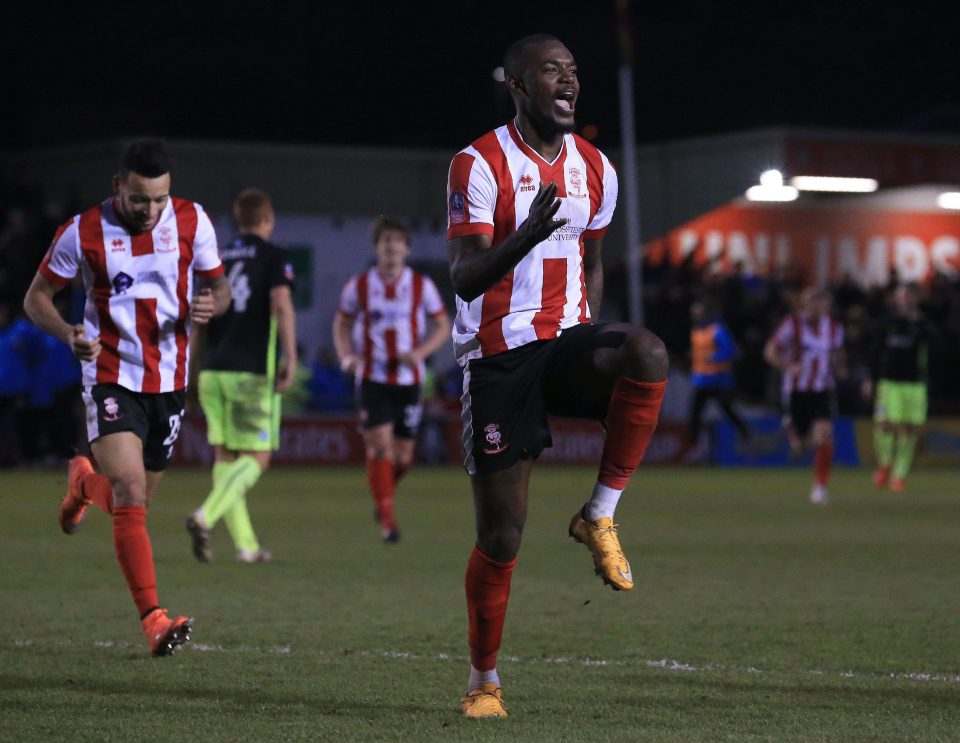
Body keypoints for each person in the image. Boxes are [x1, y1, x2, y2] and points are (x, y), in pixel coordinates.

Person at [446, 34, 668, 718]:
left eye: (574, 71)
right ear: (518, 84)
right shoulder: (477, 162)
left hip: (563, 341)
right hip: (499, 358)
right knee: (502, 536)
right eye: (552, 71)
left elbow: (595, 259)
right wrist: (526, 237)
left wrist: (585, 328)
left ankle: (598, 515)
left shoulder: (596, 167)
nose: (569, 81)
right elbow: (463, 276)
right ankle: (485, 681)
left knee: (647, 352)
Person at [22, 139, 230, 655]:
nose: (151, 210)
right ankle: (153, 619)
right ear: (119, 186)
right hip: (111, 375)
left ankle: (80, 484)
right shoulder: (82, 232)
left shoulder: (192, 221)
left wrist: (211, 304)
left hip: (170, 382)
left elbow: (221, 288)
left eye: (159, 199)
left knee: (127, 501)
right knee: (131, 491)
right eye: (140, 199)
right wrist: (69, 332)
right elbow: (36, 299)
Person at [185, 189, 296, 563]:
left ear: (237, 219)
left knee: (226, 455)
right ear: (268, 219)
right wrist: (291, 356)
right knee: (258, 457)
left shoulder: (217, 259)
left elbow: (199, 319)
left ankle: (246, 547)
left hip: (213, 371)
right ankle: (205, 515)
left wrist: (191, 370)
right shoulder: (273, 256)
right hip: (249, 372)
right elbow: (281, 304)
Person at [333, 217, 451, 542]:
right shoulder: (359, 285)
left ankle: (383, 496)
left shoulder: (420, 286)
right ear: (377, 247)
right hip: (372, 378)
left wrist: (421, 353)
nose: (391, 246)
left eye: (398, 241)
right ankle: (388, 520)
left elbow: (442, 325)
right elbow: (341, 323)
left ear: (407, 249)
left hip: (409, 380)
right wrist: (346, 356)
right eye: (386, 240)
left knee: (404, 457)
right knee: (380, 447)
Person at [764, 287, 845, 505]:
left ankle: (820, 488)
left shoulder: (835, 328)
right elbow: (770, 351)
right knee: (802, 447)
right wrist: (788, 365)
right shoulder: (791, 324)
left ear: (826, 305)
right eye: (810, 302)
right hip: (796, 391)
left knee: (824, 436)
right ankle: (793, 431)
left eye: (819, 302)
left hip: (823, 389)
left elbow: (837, 355)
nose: (814, 306)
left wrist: (842, 369)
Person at [862, 284, 935, 492]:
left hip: (914, 385)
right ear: (896, 300)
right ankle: (885, 463)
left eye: (909, 296)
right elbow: (873, 351)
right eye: (901, 297)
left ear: (916, 299)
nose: (905, 300)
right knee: (885, 424)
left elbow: (936, 350)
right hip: (889, 382)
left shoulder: (924, 324)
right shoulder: (887, 323)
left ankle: (899, 474)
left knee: (908, 428)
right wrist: (869, 378)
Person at [688, 300, 750, 456]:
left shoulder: (717, 330)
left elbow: (730, 351)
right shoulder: (696, 331)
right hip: (701, 380)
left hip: (719, 380)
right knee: (695, 413)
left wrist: (713, 358)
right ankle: (694, 445)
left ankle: (745, 433)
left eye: (698, 312)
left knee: (727, 410)